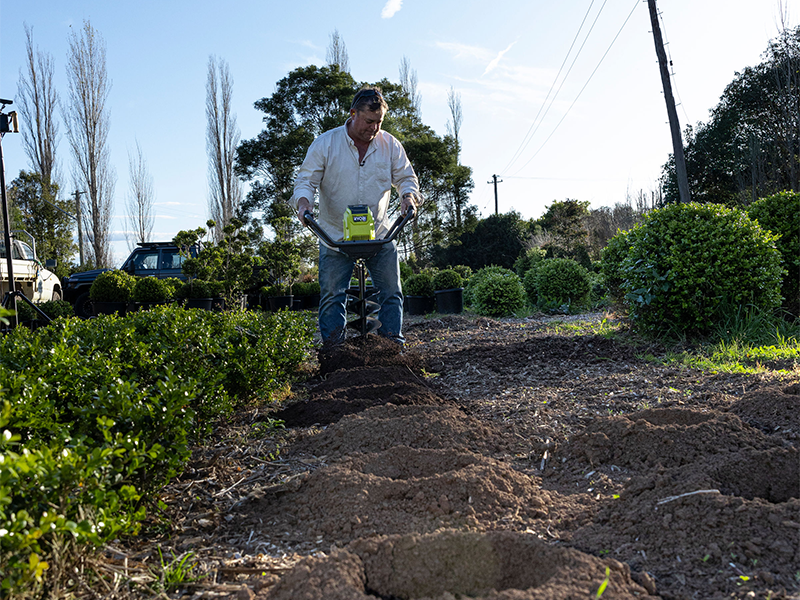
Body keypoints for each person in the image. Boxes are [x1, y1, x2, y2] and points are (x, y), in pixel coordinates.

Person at [292, 86, 419, 346]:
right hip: (335, 234)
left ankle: (391, 346)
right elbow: (306, 180)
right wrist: (304, 204)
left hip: (379, 234)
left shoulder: (389, 145)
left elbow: (407, 178)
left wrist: (408, 197)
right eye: (369, 121)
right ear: (352, 113)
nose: (374, 128)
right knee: (332, 294)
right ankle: (334, 350)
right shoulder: (326, 143)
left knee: (391, 292)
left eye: (379, 122)